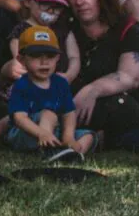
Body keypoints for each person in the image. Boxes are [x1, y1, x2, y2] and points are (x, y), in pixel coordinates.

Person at [59, 0, 139, 152]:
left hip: (116, 104)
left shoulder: (128, 29)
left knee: (120, 106)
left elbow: (131, 77)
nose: (79, 2)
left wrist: (92, 90)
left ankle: (95, 138)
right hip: (71, 106)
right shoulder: (65, 29)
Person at [6, 24, 94, 160]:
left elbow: (68, 113)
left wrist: (68, 136)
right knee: (48, 114)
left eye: (50, 55)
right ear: (21, 60)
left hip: (53, 131)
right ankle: (48, 150)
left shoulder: (61, 83)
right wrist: (42, 133)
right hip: (26, 133)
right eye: (36, 55)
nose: (44, 62)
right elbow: (19, 118)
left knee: (88, 135)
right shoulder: (21, 84)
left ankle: (73, 153)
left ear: (58, 58)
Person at [0, 0, 79, 87]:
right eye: (45, 3)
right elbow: (19, 59)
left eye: (57, 6)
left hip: (60, 85)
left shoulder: (63, 30)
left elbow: (74, 57)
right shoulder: (21, 30)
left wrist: (69, 75)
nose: (51, 10)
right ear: (27, 1)